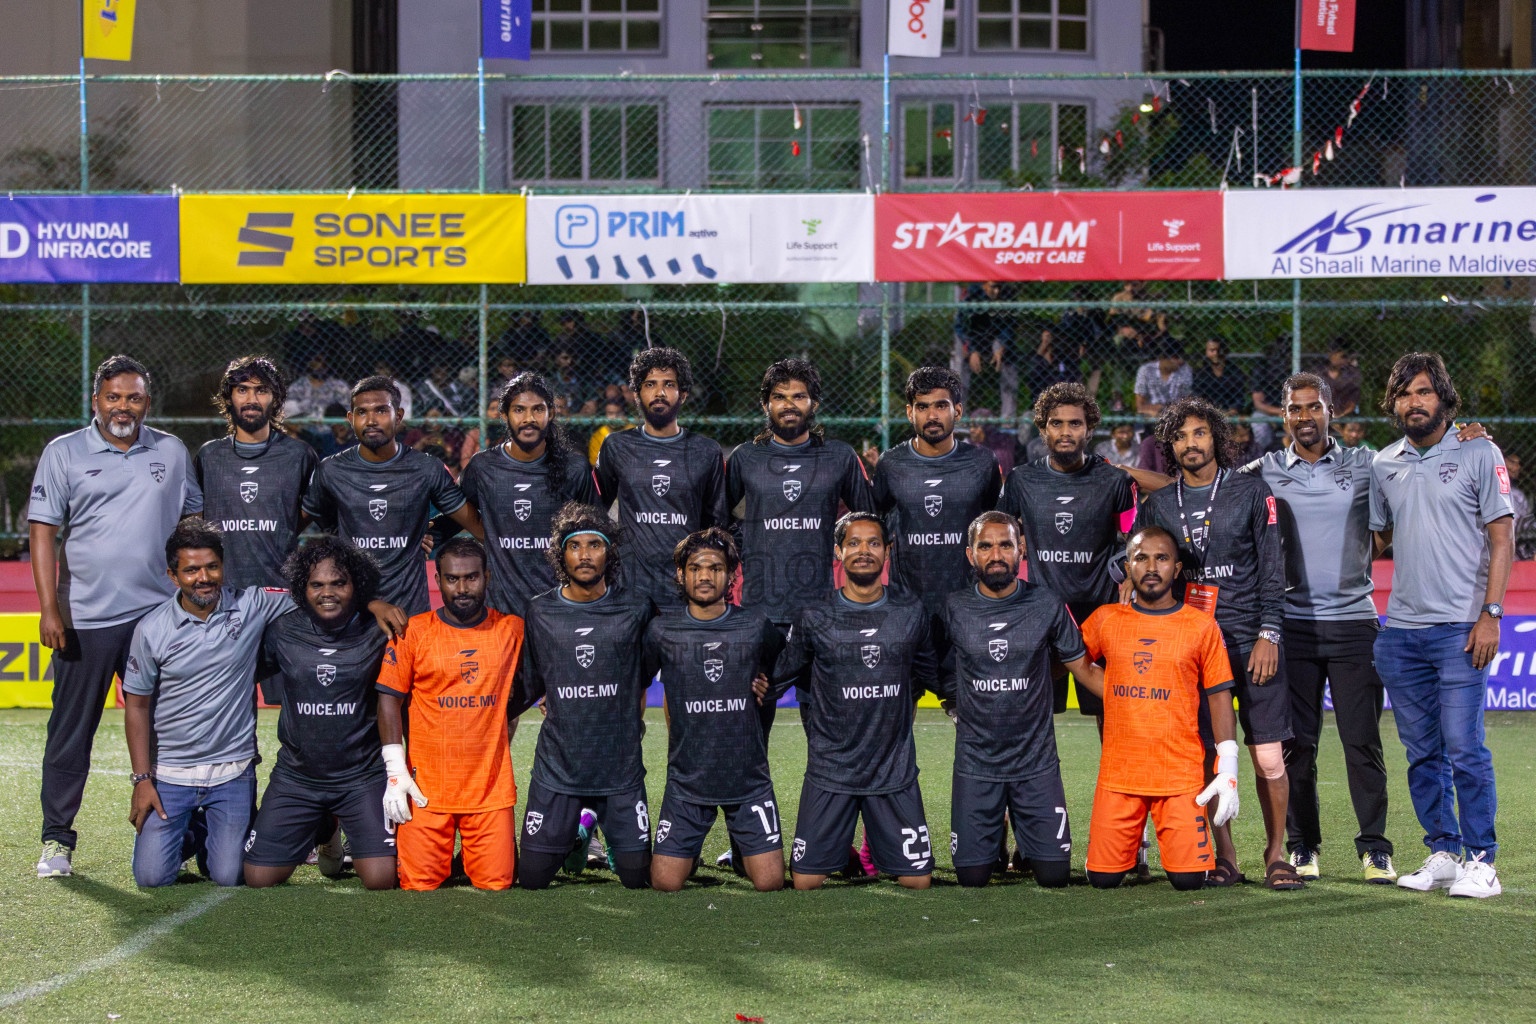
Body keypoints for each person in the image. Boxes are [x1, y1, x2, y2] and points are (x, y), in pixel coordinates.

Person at [29, 355, 203, 879]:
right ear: (96, 401)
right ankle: (57, 839)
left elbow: (193, 521)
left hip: (156, 619)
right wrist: (48, 608)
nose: (122, 406)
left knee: (165, 731)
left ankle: (176, 836)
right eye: (113, 397)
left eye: (133, 398)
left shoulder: (171, 451)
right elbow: (43, 532)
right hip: (84, 619)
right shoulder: (64, 453)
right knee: (71, 730)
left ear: (147, 403)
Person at [1133, 397, 1297, 889]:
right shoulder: (1159, 505)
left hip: (1251, 640)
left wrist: (1270, 633)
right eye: (1180, 437)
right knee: (1206, 754)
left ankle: (1276, 851)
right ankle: (1224, 855)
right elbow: (1149, 569)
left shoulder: (1251, 492)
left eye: (1199, 434)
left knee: (1267, 755)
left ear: (1216, 438)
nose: (1190, 444)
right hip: (1194, 650)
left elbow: (1272, 569)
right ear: (1170, 447)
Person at [1246, 372, 1398, 884]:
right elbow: (1207, 487)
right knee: (1299, 746)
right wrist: (1130, 474)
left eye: (1313, 408)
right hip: (1292, 626)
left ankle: (1375, 848)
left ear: (1332, 410)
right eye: (1295, 409)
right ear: (1283, 415)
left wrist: (1471, 438)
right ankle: (1303, 846)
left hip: (1356, 623)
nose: (1304, 417)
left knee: (1362, 743)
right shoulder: (1264, 469)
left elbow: (1400, 509)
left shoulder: (1366, 465)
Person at [1371, 353, 1512, 898]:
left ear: (1443, 398)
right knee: (1422, 751)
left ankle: (1483, 860)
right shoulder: (1385, 464)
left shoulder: (1479, 450)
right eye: (1404, 394)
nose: (1414, 402)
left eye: (1424, 391)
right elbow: (1377, 539)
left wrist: (1491, 614)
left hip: (1461, 630)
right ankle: (1444, 851)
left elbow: (1501, 537)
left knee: (1465, 748)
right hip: (1401, 633)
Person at [120, 522, 304, 887]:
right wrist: (142, 780)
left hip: (232, 773)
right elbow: (136, 706)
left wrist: (373, 603)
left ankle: (206, 831)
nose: (203, 578)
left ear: (223, 566)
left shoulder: (251, 603)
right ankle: (184, 832)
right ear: (173, 576)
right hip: (171, 775)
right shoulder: (151, 628)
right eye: (190, 570)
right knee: (151, 879)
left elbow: (319, 595)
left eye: (212, 567)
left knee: (231, 875)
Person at [770, 512, 938, 890]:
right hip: (832, 769)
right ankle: (842, 849)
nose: (864, 551)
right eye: (854, 543)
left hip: (892, 770)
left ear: (888, 552)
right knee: (805, 882)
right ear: (838, 551)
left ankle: (871, 848)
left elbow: (933, 675)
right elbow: (781, 675)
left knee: (918, 882)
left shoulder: (910, 612)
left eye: (874, 543)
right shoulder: (815, 615)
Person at [937, 512, 1103, 888]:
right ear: (970, 554)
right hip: (976, 763)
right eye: (986, 546)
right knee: (973, 878)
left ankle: (1028, 844)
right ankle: (991, 844)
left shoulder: (1046, 603)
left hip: (1036, 762)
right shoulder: (954, 607)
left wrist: (1138, 701)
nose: (996, 554)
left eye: (1006, 544)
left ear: (1021, 550)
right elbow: (932, 665)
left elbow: (1085, 669)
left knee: (1055, 876)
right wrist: (950, 700)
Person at [1078, 526, 1240, 891]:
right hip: (1119, 777)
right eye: (1141, 557)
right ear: (1127, 566)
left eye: (1161, 558)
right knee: (1102, 880)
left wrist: (1227, 763)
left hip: (1179, 778)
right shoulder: (1105, 619)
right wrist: (1116, 691)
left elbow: (1218, 695)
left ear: (1177, 569)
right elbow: (1074, 663)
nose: (1151, 567)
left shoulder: (1201, 625)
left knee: (1188, 881)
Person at [512, 503, 657, 890]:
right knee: (532, 879)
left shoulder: (637, 606)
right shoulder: (540, 610)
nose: (585, 554)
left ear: (609, 552)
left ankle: (602, 830)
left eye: (595, 545)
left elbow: (652, 668)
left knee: (639, 878)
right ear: (561, 555)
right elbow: (530, 680)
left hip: (619, 768)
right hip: (559, 767)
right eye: (574, 546)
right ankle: (579, 834)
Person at [727, 358, 873, 740]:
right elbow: (719, 523)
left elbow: (866, 522)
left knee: (826, 734)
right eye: (779, 397)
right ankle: (752, 801)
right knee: (750, 734)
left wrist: (841, 548)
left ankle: (829, 800)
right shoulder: (745, 458)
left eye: (799, 396)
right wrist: (749, 545)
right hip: (760, 614)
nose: (789, 404)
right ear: (765, 405)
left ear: (814, 403)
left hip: (820, 614)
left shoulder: (839, 457)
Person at [242, 537, 398, 890]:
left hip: (362, 776)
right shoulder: (282, 631)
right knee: (258, 878)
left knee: (381, 879)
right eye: (317, 584)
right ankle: (326, 828)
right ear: (302, 587)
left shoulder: (379, 631)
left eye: (338, 583)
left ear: (355, 584)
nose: (328, 592)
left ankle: (339, 821)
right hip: (298, 778)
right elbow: (239, 676)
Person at [376, 537, 526, 891]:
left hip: (489, 789)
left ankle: (468, 857)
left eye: (471, 578)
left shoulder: (512, 630)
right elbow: (387, 700)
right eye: (452, 579)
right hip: (427, 790)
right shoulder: (412, 631)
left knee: (498, 884)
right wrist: (395, 772)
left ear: (487, 577)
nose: (462, 588)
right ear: (438, 579)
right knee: (418, 885)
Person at [643, 528, 786, 892]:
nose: (705, 576)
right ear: (681, 573)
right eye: (695, 568)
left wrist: (768, 687)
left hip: (747, 779)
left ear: (731, 574)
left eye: (716, 568)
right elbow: (637, 680)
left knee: (769, 883)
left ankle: (742, 853)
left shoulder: (756, 626)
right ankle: (687, 853)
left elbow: (780, 670)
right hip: (688, 780)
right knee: (665, 883)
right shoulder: (662, 631)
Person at [998, 383, 1136, 724]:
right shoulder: (1021, 480)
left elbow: (1136, 534)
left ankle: (1118, 778)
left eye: (1074, 423)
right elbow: (1000, 532)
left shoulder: (1112, 480)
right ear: (1043, 428)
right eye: (1056, 423)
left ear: (1089, 428)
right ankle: (1035, 778)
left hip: (1100, 611)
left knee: (1111, 711)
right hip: (1043, 611)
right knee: (1035, 712)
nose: (1065, 432)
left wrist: (1130, 570)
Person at [302, 376, 484, 615]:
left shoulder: (426, 468)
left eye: (380, 410)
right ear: (351, 419)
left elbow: (476, 525)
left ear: (398, 416)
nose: (371, 420)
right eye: (362, 412)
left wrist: (428, 534)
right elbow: (310, 519)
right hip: (352, 614)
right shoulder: (331, 470)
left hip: (410, 612)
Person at [872, 367, 1002, 637]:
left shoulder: (982, 462)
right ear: (910, 412)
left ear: (957, 411)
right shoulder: (891, 463)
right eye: (922, 407)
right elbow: (876, 518)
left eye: (941, 406)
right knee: (908, 680)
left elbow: (995, 520)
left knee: (961, 680)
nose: (932, 416)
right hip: (907, 606)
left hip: (967, 604)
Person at [595, 347, 728, 611]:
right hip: (630, 588)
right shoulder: (616, 446)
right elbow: (595, 511)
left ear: (684, 394)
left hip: (684, 590)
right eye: (650, 384)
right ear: (636, 394)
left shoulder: (706, 451)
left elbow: (717, 524)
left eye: (669, 384)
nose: (659, 393)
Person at [458, 371, 599, 619]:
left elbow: (596, 530)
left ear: (551, 413)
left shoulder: (574, 468)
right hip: (499, 611)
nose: (529, 418)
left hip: (560, 609)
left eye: (537, 410)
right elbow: (453, 513)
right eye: (519, 410)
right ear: (504, 415)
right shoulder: (483, 467)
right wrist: (426, 533)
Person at [194, 356, 318, 589]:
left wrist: (284, 528)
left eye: (261, 390)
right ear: (229, 397)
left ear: (276, 398)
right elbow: (196, 517)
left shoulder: (299, 455)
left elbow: (315, 509)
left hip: (281, 590)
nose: (252, 399)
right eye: (242, 390)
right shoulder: (209, 456)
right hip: (223, 591)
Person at [953, 281, 1020, 420]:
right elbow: (962, 326)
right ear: (984, 285)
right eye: (993, 287)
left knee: (1010, 366)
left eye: (999, 287)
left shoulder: (1007, 294)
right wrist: (971, 350)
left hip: (997, 335)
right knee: (959, 370)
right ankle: (958, 417)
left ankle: (1007, 418)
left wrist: (1001, 345)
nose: (996, 292)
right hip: (973, 337)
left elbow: (1010, 324)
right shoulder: (971, 295)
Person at [1133, 337, 1192, 419]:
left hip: (1176, 416)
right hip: (1151, 417)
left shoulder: (1185, 369)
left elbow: (1187, 402)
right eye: (1176, 358)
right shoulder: (1146, 370)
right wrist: (1156, 409)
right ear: (1162, 358)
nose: (1180, 362)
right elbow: (1139, 406)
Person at [284, 351, 351, 420]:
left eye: (326, 361)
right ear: (309, 363)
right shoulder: (298, 386)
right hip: (303, 427)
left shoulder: (339, 386)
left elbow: (350, 409)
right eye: (318, 360)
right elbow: (287, 411)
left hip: (330, 428)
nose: (322, 364)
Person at [1191, 338, 1249, 418]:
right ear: (1206, 352)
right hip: (1206, 414)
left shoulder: (1236, 373)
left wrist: (1231, 412)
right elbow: (1197, 397)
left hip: (1231, 415)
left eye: (1219, 350)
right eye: (1212, 350)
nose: (1216, 353)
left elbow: (1239, 399)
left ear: (1226, 351)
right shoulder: (1200, 374)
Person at [1025, 325, 1081, 402]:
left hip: (1057, 382)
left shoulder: (1059, 355)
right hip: (1041, 384)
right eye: (1043, 336)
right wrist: (1042, 348)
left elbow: (1064, 370)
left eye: (1047, 336)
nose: (1045, 339)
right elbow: (1033, 372)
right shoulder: (1037, 356)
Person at [1313, 340, 1363, 418]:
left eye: (1347, 357)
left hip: (1344, 417)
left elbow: (1354, 398)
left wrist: (1338, 417)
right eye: (1343, 356)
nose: (1345, 360)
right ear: (1330, 354)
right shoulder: (1318, 372)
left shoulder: (1352, 374)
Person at [587, 398, 632, 466]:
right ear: (605, 415)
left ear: (624, 415)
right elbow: (595, 465)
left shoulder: (634, 430)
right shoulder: (598, 436)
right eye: (610, 413)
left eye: (619, 413)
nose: (614, 417)